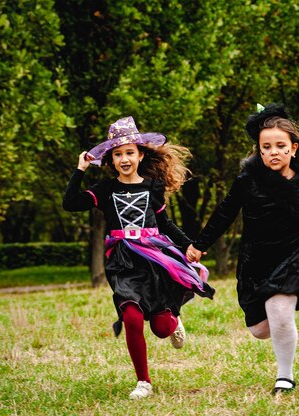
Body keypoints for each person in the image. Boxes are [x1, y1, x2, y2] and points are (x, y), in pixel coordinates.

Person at [186, 104, 299, 394]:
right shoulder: (248, 180)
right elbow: (225, 212)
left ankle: (285, 377)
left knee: (280, 311)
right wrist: (199, 244)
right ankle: (282, 323)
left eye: (280, 146)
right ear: (259, 150)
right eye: (266, 146)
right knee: (260, 330)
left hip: (288, 256)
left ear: (293, 149)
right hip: (253, 260)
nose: (274, 151)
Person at [63, 116, 215, 399]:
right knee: (131, 316)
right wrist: (80, 169)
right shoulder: (105, 190)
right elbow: (70, 203)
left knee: (159, 328)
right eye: (117, 154)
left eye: (129, 152)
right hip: (121, 261)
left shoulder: (153, 188)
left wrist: (190, 245)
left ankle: (173, 321)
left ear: (140, 154)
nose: (124, 159)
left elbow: (166, 224)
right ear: (110, 160)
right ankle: (143, 382)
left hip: (153, 260)